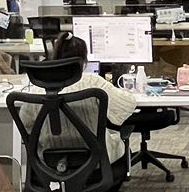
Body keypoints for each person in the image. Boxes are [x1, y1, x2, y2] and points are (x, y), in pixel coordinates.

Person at [49, 32, 137, 164]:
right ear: (84, 60)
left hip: (48, 157)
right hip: (94, 156)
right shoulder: (92, 81)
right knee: (118, 143)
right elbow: (126, 104)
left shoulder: (38, 85)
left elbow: (26, 122)